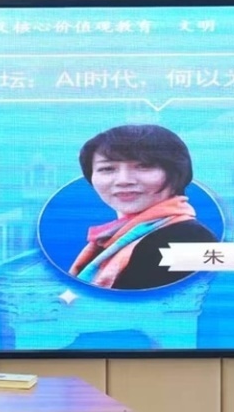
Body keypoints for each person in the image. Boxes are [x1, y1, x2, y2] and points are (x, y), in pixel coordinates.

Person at [70, 124, 216, 290]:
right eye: (107, 168)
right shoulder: (110, 240)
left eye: (144, 166)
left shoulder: (189, 239)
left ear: (176, 174)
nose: (123, 180)